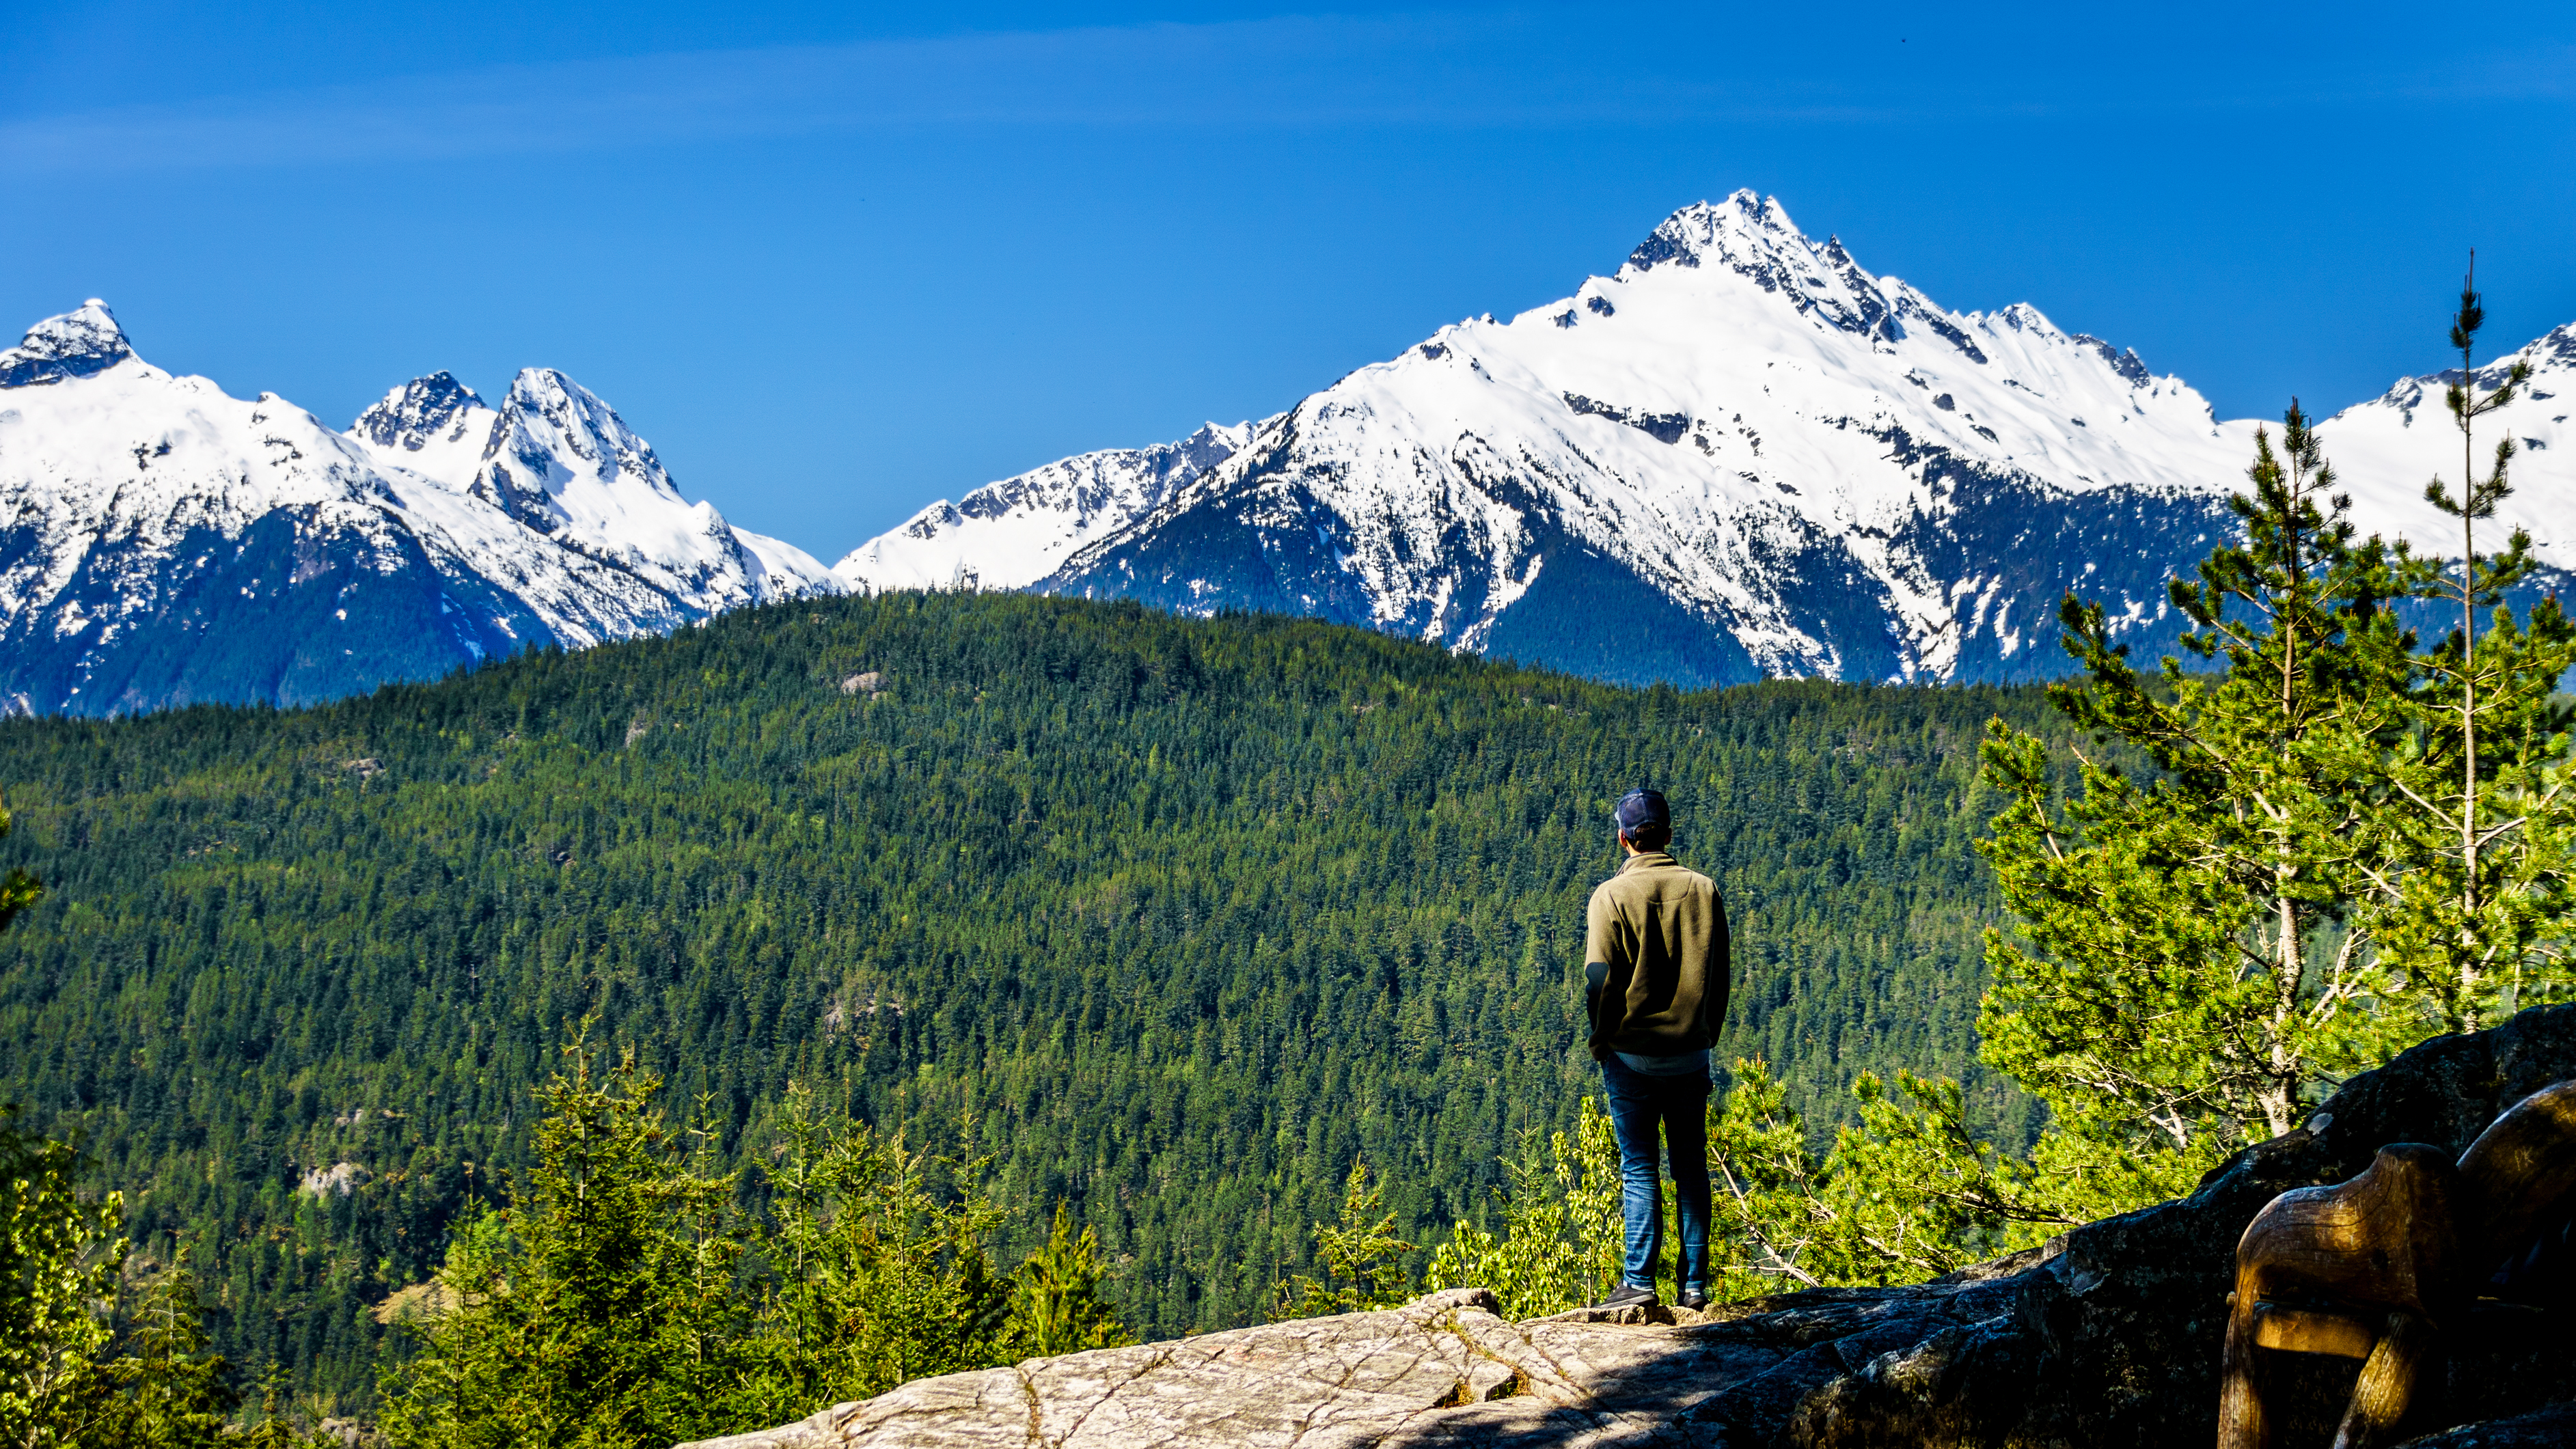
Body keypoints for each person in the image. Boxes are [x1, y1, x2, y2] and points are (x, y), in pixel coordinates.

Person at [1582, 788, 1727, 1312]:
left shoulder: (1609, 897)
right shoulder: (1704, 889)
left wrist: (1602, 1040)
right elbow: (1720, 976)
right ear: (1668, 834)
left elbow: (1599, 980)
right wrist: (1706, 1032)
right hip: (1691, 1054)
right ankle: (1696, 1287)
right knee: (1691, 1164)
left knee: (1639, 1166)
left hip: (1632, 1057)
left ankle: (1639, 1281)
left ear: (1623, 839)